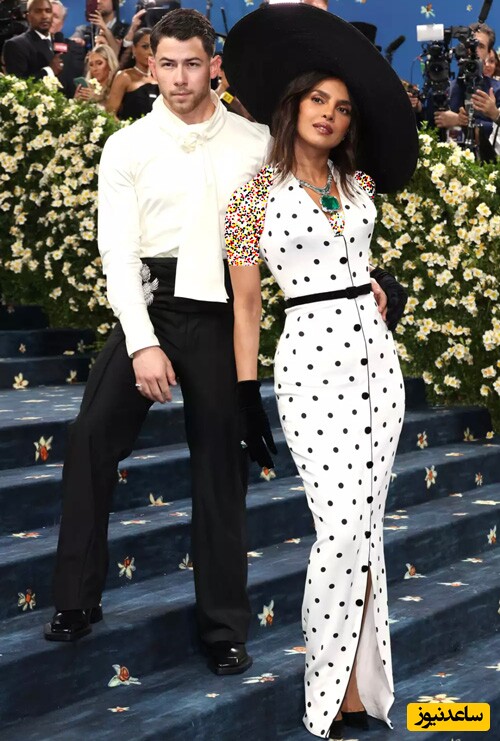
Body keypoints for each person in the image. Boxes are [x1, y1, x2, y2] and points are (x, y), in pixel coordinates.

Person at [44, 8, 273, 679]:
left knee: (222, 466)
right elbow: (117, 251)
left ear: (213, 66)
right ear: (149, 66)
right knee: (90, 438)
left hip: (221, 311)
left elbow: (285, 231)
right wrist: (142, 344)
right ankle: (76, 599)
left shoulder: (257, 144)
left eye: (192, 64)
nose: (179, 78)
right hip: (150, 306)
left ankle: (224, 628)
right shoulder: (128, 146)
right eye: (167, 65)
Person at [223, 4, 417, 738]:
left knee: (366, 529)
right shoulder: (248, 198)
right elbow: (247, 304)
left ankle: (361, 694)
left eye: (341, 107)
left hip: (377, 365)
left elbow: (361, 263)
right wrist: (247, 394)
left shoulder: (357, 183)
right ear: (293, 105)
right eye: (317, 100)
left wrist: (384, 286)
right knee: (337, 530)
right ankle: (326, 694)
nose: (329, 114)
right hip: (310, 366)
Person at [434, 23, 500, 137]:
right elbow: (429, 128)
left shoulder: (497, 90)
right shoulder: (445, 89)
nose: (474, 50)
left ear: (488, 53)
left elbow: (496, 135)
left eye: (481, 46)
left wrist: (461, 122)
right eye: (470, 44)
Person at [3, 0, 64, 81]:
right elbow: (18, 84)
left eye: (48, 11)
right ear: (28, 17)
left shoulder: (57, 42)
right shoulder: (15, 45)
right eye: (38, 11)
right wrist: (49, 71)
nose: (44, 16)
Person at [106, 28, 159, 120]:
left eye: (153, 47)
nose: (150, 52)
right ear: (134, 49)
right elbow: (110, 113)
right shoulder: (124, 77)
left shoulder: (160, 78)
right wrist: (127, 128)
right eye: (145, 47)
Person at [50, 0, 85, 99]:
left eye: (55, 16)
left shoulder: (74, 49)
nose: (50, 19)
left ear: (61, 24)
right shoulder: (28, 45)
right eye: (48, 14)